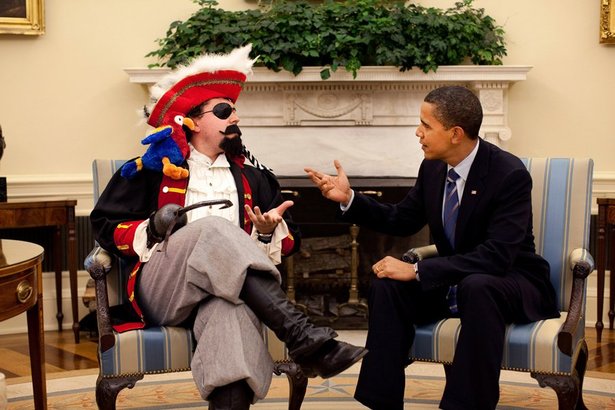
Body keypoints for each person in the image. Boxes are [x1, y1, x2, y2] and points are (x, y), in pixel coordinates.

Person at [91, 45, 366, 410]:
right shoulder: (151, 171)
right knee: (213, 229)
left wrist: (267, 232)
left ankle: (282, 364)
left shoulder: (256, 178)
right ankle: (302, 334)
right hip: (164, 289)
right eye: (223, 110)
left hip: (227, 292)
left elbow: (289, 244)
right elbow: (105, 225)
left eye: (235, 110)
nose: (234, 116)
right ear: (192, 121)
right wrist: (154, 226)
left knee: (231, 318)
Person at [304, 85, 559, 410]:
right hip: (458, 281)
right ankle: (380, 401)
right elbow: (402, 219)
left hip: (510, 281)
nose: (417, 132)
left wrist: (417, 270)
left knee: (478, 286)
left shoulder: (508, 174)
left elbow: (498, 256)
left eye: (426, 125)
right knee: (387, 284)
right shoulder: (434, 168)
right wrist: (350, 200)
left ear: (455, 133)